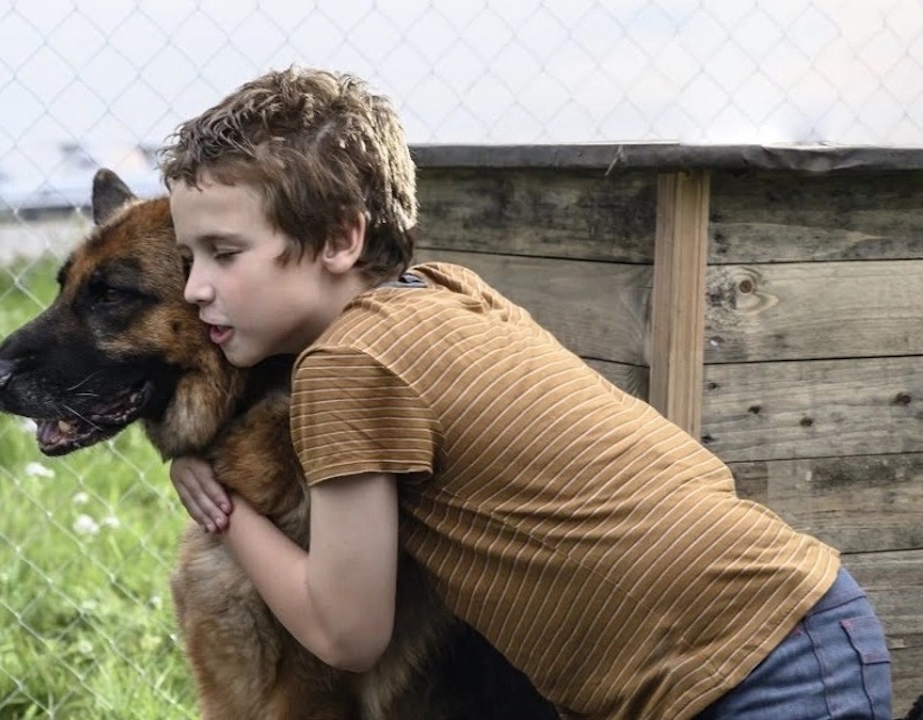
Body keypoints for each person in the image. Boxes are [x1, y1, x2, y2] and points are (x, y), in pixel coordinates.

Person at [159, 66, 894, 720]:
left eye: (224, 254)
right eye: (189, 258)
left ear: (341, 240)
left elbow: (347, 634)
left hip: (750, 674)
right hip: (797, 622)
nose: (196, 289)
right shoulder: (451, 293)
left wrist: (226, 515)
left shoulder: (348, 364)